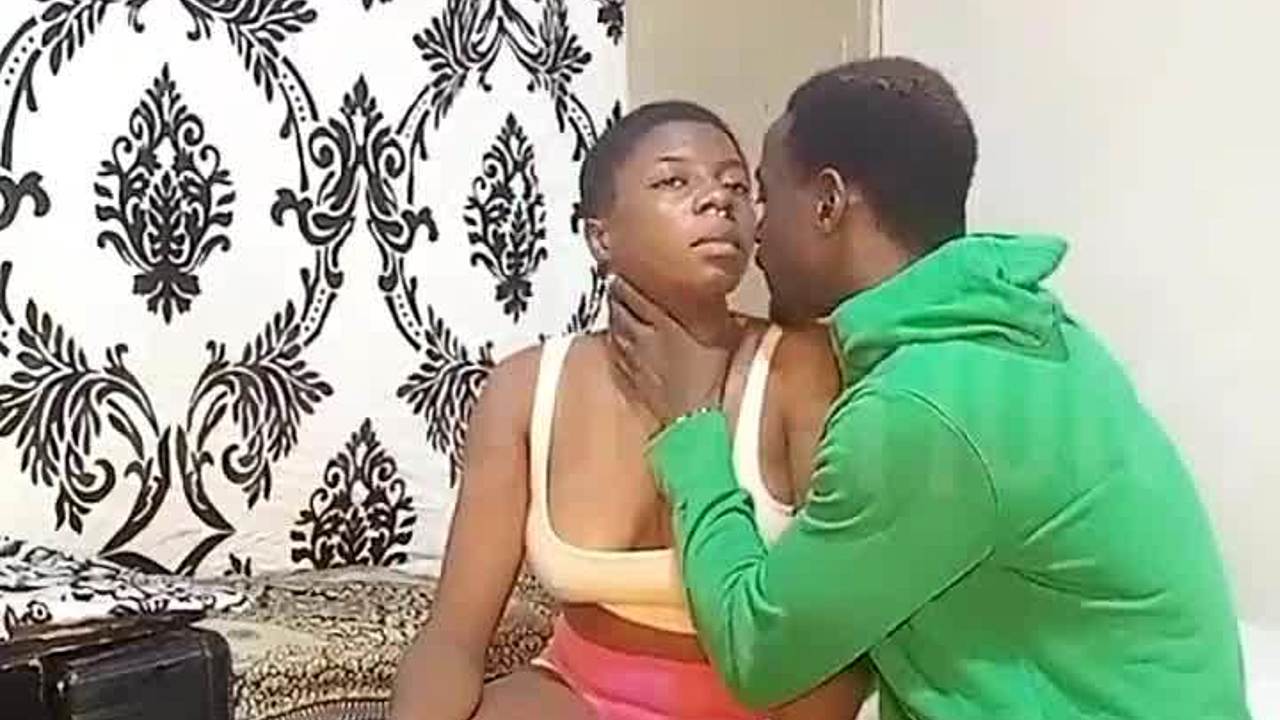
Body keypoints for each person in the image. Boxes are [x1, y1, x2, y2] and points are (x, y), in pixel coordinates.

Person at [609, 58, 1252, 720]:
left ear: (827, 204)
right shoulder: (1025, 326)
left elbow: (759, 652)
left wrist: (691, 425)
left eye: (766, 197)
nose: (754, 231)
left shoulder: (917, 409)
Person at [390, 101, 871, 720]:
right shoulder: (526, 387)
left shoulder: (800, 370)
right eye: (674, 181)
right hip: (578, 689)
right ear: (601, 236)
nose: (718, 200)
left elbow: (837, 641)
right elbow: (453, 639)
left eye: (735, 186)